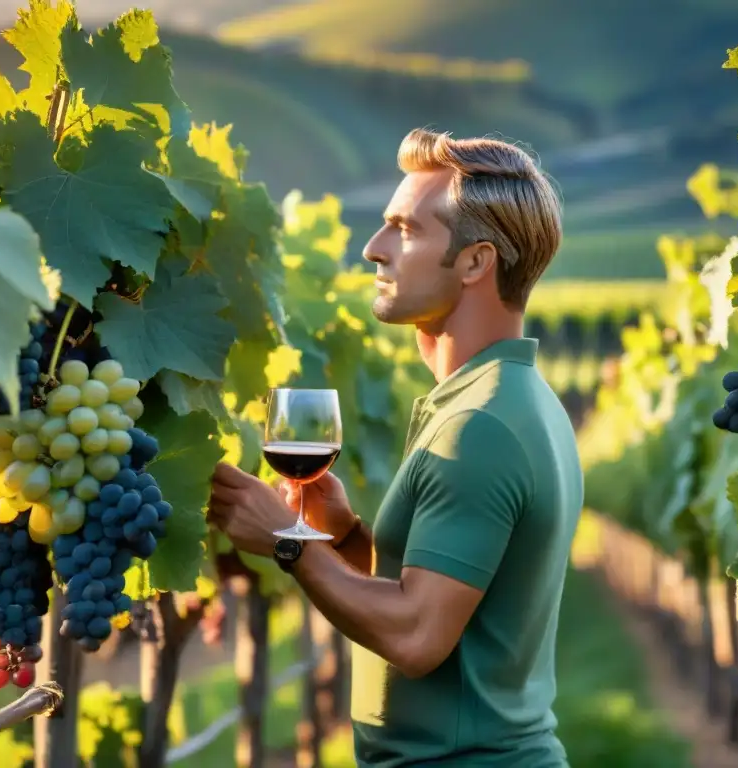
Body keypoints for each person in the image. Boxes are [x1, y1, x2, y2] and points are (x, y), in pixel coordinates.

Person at [209, 128, 583, 767]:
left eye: (403, 230)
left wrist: (288, 543)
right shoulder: (504, 400)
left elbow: (418, 636)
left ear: (474, 262)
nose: (373, 249)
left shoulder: (483, 425)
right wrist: (343, 536)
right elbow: (443, 590)